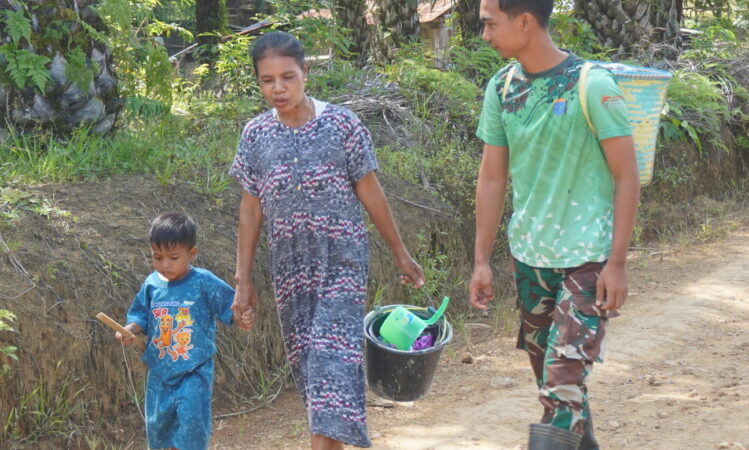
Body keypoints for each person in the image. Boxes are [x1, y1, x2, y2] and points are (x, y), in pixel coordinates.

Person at [228, 31, 425, 450]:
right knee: (311, 369)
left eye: (288, 77)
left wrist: (400, 253)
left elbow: (370, 191)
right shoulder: (255, 136)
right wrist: (243, 280)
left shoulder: (342, 124)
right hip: (290, 269)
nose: (278, 88)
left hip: (342, 263)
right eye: (267, 80)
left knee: (329, 363)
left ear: (306, 72)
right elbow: (250, 209)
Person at [469, 0, 641, 449]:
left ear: (524, 21)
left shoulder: (593, 85)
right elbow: (491, 177)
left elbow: (627, 177)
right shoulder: (502, 87)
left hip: (587, 261)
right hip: (529, 259)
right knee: (558, 390)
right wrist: (481, 261)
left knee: (561, 392)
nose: (484, 35)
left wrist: (617, 263)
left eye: (490, 24)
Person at [116, 211, 252, 450]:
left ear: (192, 254)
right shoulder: (151, 284)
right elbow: (140, 315)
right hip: (159, 373)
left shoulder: (203, 281)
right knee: (159, 428)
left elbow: (230, 306)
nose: (164, 264)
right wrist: (130, 329)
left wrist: (242, 315)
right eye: (157, 257)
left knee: (191, 425)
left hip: (194, 371)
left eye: (173, 257)